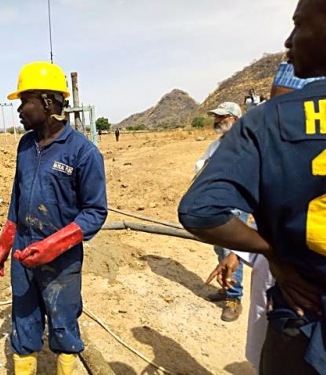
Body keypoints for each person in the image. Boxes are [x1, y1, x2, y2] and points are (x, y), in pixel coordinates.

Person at [178, 0, 326, 373]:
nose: (288, 40)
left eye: (298, 25)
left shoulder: (267, 123)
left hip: (303, 311)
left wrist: (273, 254)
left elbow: (200, 209)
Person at [205, 62, 326, 374]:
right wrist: (239, 254)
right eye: (272, 103)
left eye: (284, 104)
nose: (276, 113)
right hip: (272, 284)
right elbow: (267, 217)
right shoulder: (268, 149)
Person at [0, 61, 108, 375]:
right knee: (24, 323)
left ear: (46, 102)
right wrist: (4, 246)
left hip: (62, 260)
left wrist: (54, 246)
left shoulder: (83, 153)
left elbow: (95, 212)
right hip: (23, 252)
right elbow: (17, 197)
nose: (18, 110)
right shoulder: (25, 145)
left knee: (63, 326)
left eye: (23, 102)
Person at [195, 101, 246, 322]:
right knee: (219, 249)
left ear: (235, 119)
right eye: (216, 117)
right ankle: (226, 289)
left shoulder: (245, 145)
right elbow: (201, 167)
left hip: (233, 205)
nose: (217, 121)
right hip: (213, 204)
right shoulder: (215, 146)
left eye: (222, 117)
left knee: (232, 251)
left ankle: (234, 298)